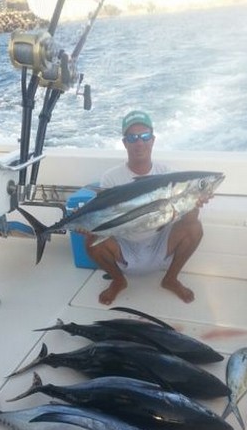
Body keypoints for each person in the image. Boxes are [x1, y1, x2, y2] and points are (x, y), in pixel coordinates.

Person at [84, 110, 204, 306]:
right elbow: (104, 218)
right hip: (124, 243)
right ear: (125, 143)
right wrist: (89, 227)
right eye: (132, 138)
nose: (139, 142)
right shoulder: (111, 177)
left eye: (145, 136)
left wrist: (194, 203)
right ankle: (118, 280)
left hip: (160, 241)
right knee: (90, 241)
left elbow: (189, 222)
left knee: (195, 227)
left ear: (153, 140)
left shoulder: (167, 174)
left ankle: (171, 278)